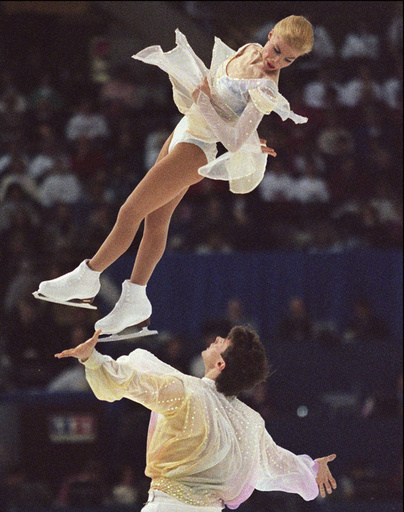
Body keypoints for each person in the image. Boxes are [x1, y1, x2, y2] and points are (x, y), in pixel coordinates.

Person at [36, 16, 314, 338]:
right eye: (277, 50)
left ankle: (88, 275)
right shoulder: (249, 48)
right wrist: (217, 111)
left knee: (130, 211)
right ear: (269, 36)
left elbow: (233, 140)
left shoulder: (267, 86)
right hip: (185, 129)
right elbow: (229, 104)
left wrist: (207, 105)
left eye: (288, 60)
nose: (275, 60)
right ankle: (135, 299)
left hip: (198, 148)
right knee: (155, 220)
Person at [55, 326, 337, 511]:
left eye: (222, 341)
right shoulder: (249, 421)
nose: (216, 339)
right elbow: (275, 462)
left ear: (221, 364)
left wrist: (92, 360)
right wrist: (311, 469)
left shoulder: (187, 392)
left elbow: (134, 382)